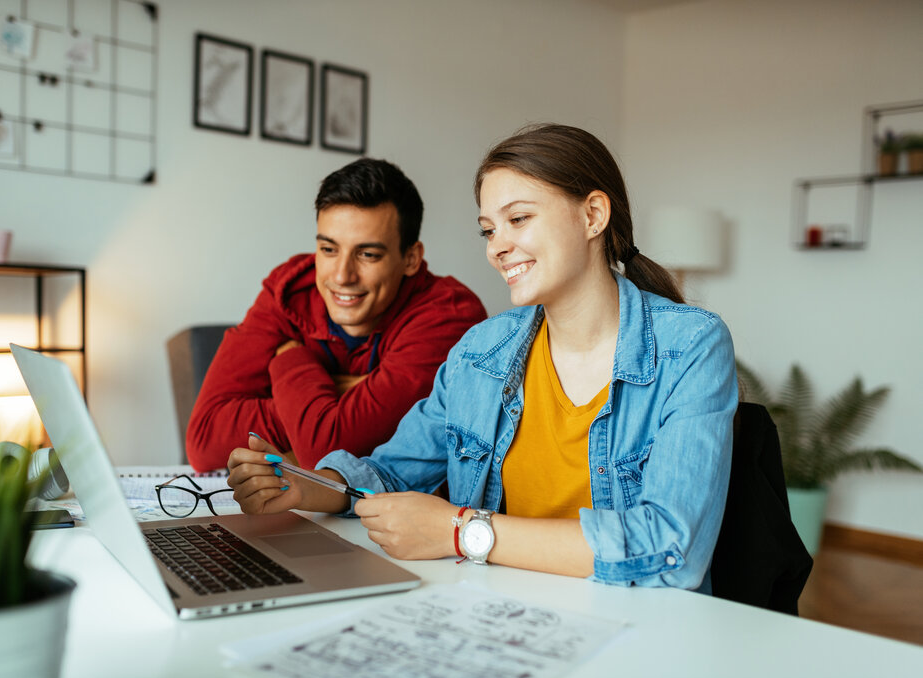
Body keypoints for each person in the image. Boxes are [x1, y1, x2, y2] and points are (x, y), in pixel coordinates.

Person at [227, 125, 738, 592]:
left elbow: (672, 548)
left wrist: (463, 531)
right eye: (488, 230)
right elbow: (392, 473)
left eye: (518, 219)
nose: (498, 248)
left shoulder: (691, 347)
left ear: (593, 215)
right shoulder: (480, 352)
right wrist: (308, 487)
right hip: (500, 616)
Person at [186, 158, 487, 472]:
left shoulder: (448, 315)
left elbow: (323, 450)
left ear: (410, 258)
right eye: (329, 250)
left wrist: (289, 359)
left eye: (367, 254)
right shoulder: (289, 290)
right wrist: (330, 397)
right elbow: (204, 441)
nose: (342, 276)